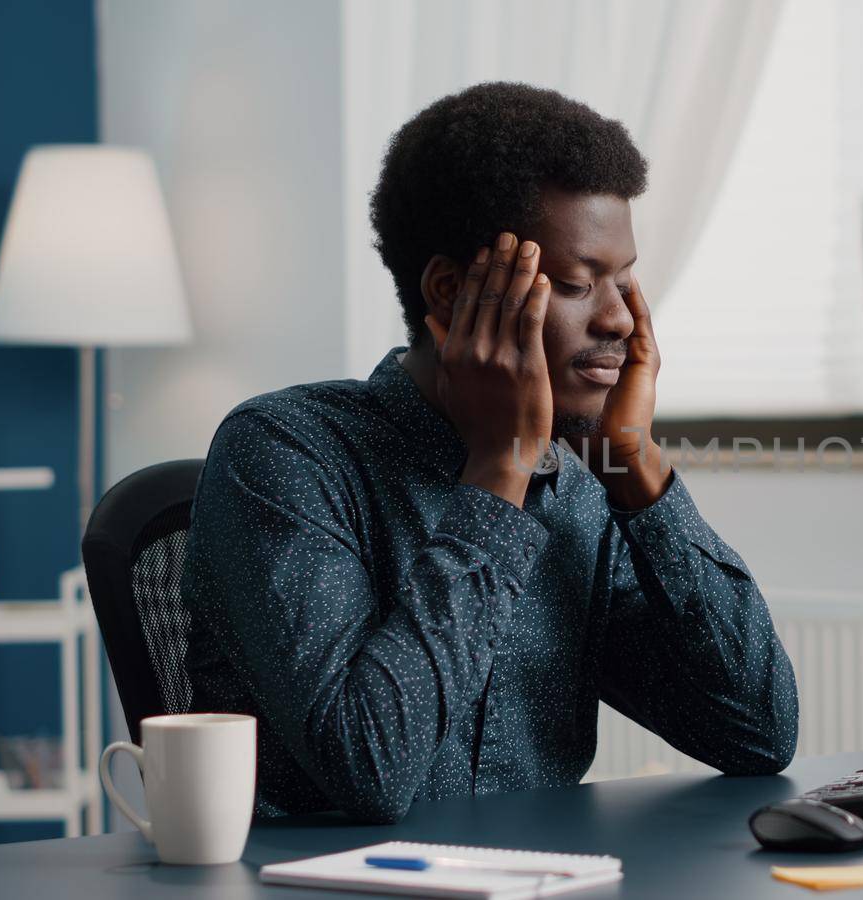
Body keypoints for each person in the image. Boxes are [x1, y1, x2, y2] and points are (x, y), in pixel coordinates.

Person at [179, 82, 799, 823]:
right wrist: (500, 472)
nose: (616, 320)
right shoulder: (284, 454)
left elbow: (758, 732)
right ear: (448, 294)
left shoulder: (581, 485)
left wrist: (634, 465)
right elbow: (371, 770)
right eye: (575, 283)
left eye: (624, 279)